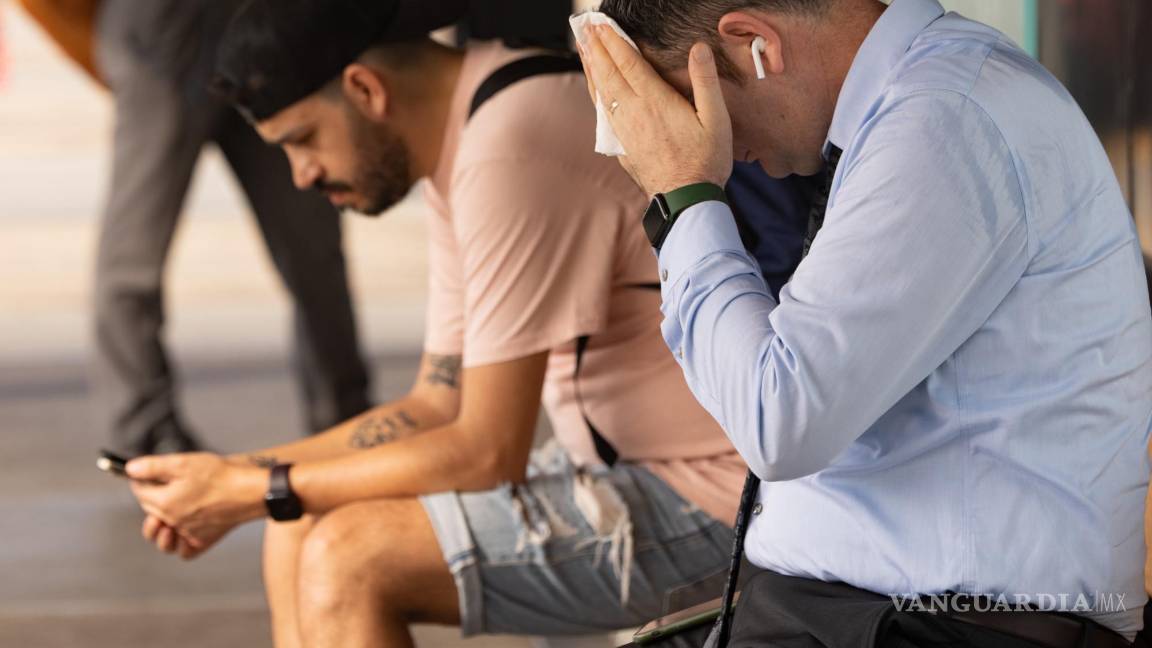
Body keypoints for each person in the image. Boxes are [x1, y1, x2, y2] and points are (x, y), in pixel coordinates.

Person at [123, 1, 747, 646]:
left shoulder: (511, 147)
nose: (301, 175)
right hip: (630, 465)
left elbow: (484, 452)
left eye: (301, 139)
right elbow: (435, 402)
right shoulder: (471, 132)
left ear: (365, 89)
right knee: (295, 524)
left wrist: (255, 487)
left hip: (717, 493)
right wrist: (234, 477)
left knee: (353, 557)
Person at [578, 0, 1152, 645]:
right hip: (873, 614)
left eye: (684, 106)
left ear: (754, 44)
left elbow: (780, 419)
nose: (711, 143)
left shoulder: (946, 118)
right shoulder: (921, 104)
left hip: (935, 627)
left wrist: (684, 196)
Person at [90, 0, 371, 454]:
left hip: (264, 21)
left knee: (313, 245)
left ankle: (347, 419)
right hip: (165, 30)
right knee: (134, 259)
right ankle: (144, 437)